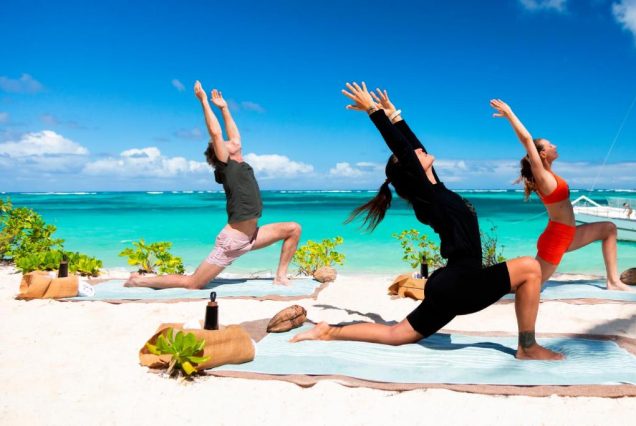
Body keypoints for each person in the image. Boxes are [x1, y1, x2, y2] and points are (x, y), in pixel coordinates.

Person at [292, 83, 563, 361]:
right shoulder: (428, 197)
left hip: (452, 284)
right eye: (412, 157)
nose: (419, 151)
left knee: (396, 334)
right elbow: (404, 150)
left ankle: (328, 331)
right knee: (530, 268)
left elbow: (413, 148)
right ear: (410, 170)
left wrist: (395, 115)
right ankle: (527, 347)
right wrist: (373, 112)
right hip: (461, 284)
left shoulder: (437, 190)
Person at [125, 81, 301, 289]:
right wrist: (204, 102)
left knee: (293, 229)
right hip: (232, 242)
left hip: (252, 237)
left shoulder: (240, 163)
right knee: (193, 284)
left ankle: (280, 276)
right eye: (225, 144)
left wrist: (224, 108)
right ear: (221, 153)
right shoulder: (227, 166)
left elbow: (234, 136)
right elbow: (216, 133)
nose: (231, 141)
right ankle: (138, 280)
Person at [490, 99, 629, 291]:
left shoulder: (551, 174)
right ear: (542, 154)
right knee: (528, 285)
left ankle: (613, 281)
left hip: (569, 234)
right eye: (550, 145)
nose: (554, 146)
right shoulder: (542, 176)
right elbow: (527, 140)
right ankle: (484, 282)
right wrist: (510, 114)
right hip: (557, 238)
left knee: (609, 229)